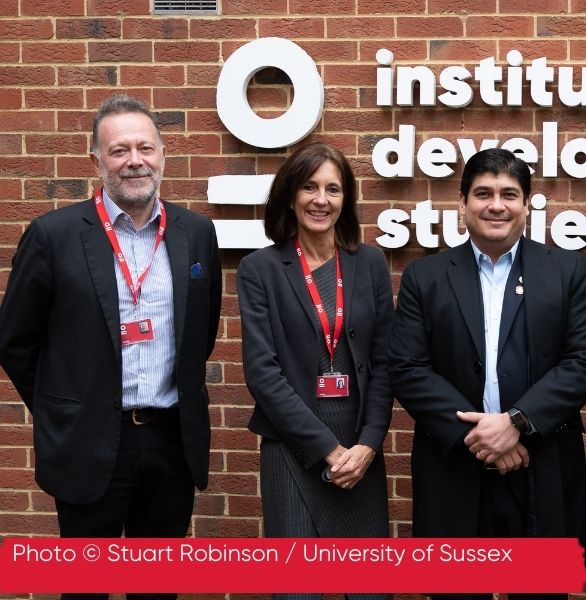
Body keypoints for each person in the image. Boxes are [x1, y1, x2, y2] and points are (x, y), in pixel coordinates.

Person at [0, 94, 222, 599]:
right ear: (95, 162)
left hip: (170, 443)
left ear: (164, 155)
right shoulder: (53, 235)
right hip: (89, 443)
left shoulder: (196, 234)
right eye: (119, 150)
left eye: (145, 147)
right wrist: (67, 405)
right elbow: (15, 340)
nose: (135, 160)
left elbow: (199, 335)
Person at [388, 148, 586, 600]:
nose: (496, 205)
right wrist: (483, 437)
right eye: (483, 193)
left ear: (527, 205)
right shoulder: (424, 277)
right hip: (453, 472)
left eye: (509, 194)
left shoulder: (568, 272)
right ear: (463, 202)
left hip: (540, 467)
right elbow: (408, 369)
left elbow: (584, 360)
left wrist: (517, 425)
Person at [237, 143, 393, 600]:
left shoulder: (369, 265)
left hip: (361, 454)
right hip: (293, 450)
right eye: (309, 187)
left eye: (333, 189)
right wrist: (327, 449)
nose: (320, 199)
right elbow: (262, 373)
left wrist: (367, 444)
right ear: (290, 195)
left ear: (346, 200)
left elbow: (385, 363)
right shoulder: (259, 269)